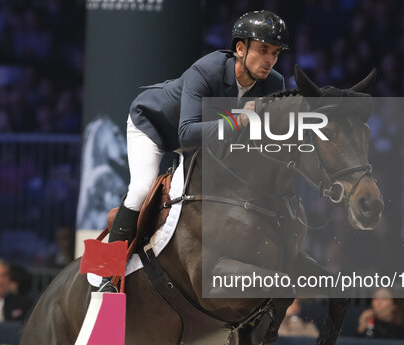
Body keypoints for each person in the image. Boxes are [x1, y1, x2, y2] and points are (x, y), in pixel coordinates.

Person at [100, 10, 290, 292]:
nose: (270, 60)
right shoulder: (208, 69)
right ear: (240, 48)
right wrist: (238, 120)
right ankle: (107, 274)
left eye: (275, 53)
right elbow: (187, 134)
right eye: (263, 50)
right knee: (141, 188)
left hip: (206, 137)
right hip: (155, 126)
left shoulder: (274, 84)